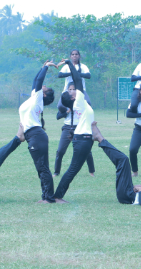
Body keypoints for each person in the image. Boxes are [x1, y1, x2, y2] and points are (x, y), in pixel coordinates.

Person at [52, 58, 96, 203]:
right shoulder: (79, 101)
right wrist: (69, 63)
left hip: (85, 137)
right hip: (82, 139)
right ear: (72, 98)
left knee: (73, 168)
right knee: (73, 169)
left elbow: (77, 80)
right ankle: (57, 195)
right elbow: (77, 79)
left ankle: (57, 195)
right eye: (71, 91)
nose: (74, 90)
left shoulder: (78, 102)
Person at [18, 60, 56, 203]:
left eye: (45, 88)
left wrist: (46, 67)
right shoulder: (35, 96)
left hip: (36, 135)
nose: (43, 86)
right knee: (41, 168)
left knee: (42, 168)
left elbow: (39, 81)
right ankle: (45, 196)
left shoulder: (38, 98)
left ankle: (48, 198)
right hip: (33, 136)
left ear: (44, 94)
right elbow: (36, 80)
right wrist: (43, 66)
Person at [54, 84, 95, 178]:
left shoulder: (81, 102)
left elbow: (88, 106)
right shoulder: (66, 103)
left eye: (73, 89)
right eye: (70, 89)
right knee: (60, 151)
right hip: (67, 127)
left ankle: (91, 172)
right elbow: (58, 116)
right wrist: (67, 111)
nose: (71, 91)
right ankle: (56, 172)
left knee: (87, 151)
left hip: (79, 127)